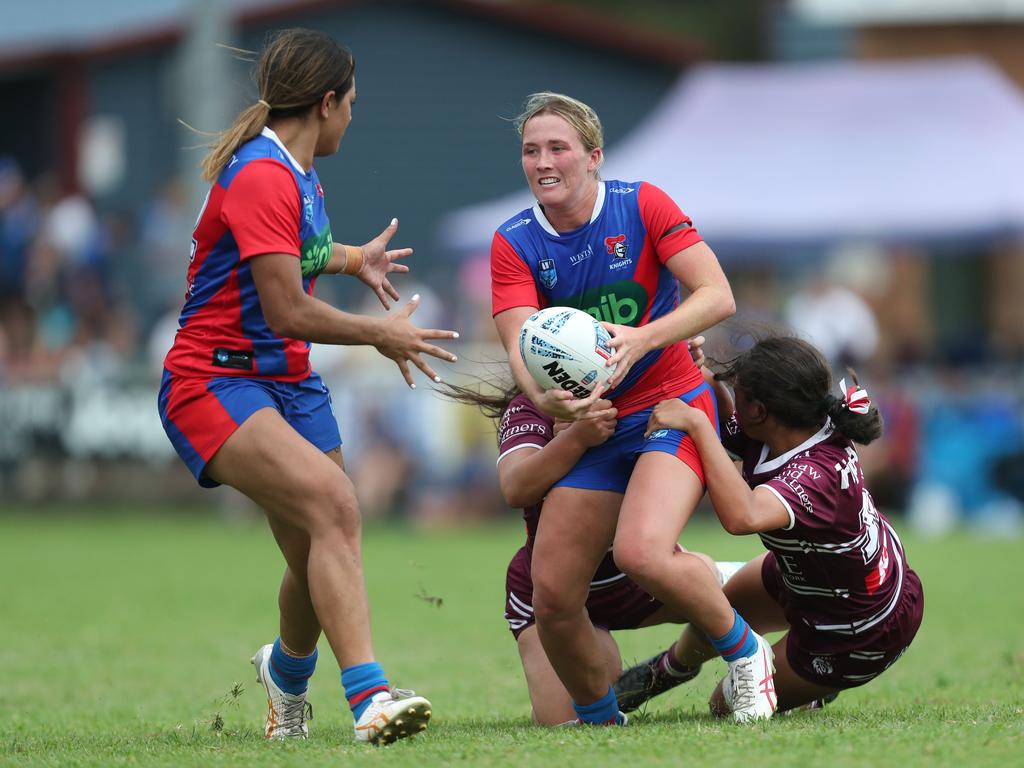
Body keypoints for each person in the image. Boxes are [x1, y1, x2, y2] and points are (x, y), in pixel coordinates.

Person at [158, 28, 458, 745]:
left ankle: (286, 677)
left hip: (285, 382)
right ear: (326, 103)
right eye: (351, 103)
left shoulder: (297, 171)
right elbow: (286, 306)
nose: (353, 116)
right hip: (214, 381)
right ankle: (370, 700)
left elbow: (303, 250)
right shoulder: (264, 173)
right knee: (335, 509)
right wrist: (381, 334)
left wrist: (355, 259)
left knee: (317, 548)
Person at [489, 92, 776, 725]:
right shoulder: (512, 242)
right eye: (531, 150)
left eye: (557, 147)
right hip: (597, 427)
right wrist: (553, 403)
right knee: (554, 598)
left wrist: (645, 337)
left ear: (593, 157)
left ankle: (746, 653)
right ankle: (601, 722)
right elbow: (518, 348)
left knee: (642, 552)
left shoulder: (642, 204)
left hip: (670, 407)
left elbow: (717, 295)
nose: (542, 161)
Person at [618, 336, 924, 716]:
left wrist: (696, 424)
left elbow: (741, 517)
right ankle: (667, 671)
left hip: (858, 626)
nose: (733, 397)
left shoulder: (815, 474)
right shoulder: (793, 424)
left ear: (761, 411)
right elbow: (731, 431)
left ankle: (818, 686)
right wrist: (703, 379)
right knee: (718, 609)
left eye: (739, 392)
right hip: (813, 576)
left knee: (723, 705)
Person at [442, 343, 745, 725]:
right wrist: (577, 438)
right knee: (567, 716)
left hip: (633, 573)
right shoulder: (531, 405)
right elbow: (515, 487)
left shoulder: (645, 383)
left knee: (738, 597)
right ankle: (611, 679)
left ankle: (676, 665)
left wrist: (702, 377)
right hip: (551, 593)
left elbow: (733, 445)